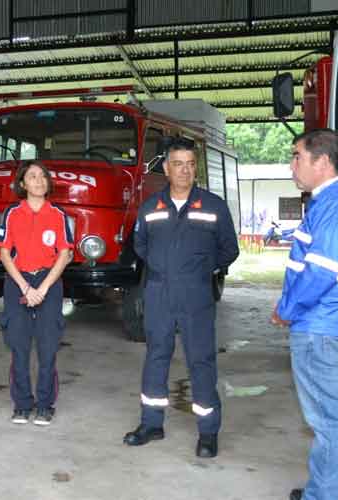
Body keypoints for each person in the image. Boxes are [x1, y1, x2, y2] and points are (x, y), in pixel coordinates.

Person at [272, 129, 338, 500]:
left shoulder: (337, 204)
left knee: (329, 422)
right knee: (330, 420)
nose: (292, 164)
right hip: (324, 324)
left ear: (323, 162)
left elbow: (322, 272)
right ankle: (324, 491)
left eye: (298, 156)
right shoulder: (334, 201)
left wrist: (286, 310)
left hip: (321, 327)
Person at [124, 136, 239, 458]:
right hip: (159, 292)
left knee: (201, 360)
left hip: (196, 294)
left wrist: (200, 270)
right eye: (178, 164)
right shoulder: (150, 207)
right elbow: (141, 245)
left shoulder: (213, 205)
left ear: (195, 168)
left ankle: (208, 433)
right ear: (166, 167)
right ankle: (151, 424)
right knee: (156, 357)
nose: (184, 171)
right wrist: (165, 269)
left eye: (190, 164)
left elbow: (229, 249)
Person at [0, 161, 73, 426]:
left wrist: (42, 288)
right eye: (32, 176)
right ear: (22, 184)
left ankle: (44, 404)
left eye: (43, 176)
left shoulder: (58, 215)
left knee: (47, 346)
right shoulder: (12, 213)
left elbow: (65, 254)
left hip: (48, 281)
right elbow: (4, 253)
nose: (39, 181)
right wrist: (25, 287)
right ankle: (22, 404)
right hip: (18, 280)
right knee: (18, 346)